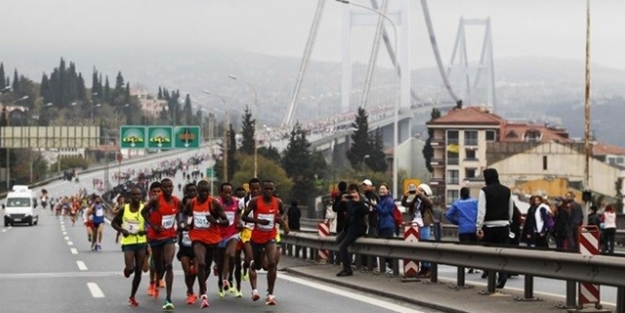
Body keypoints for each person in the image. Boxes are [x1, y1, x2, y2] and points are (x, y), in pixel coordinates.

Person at [242, 179, 289, 305]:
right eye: (266, 189)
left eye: (271, 189)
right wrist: (257, 221)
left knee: (272, 263)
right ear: (263, 190)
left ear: (274, 190)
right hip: (256, 238)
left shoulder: (277, 202)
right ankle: (254, 290)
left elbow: (284, 214)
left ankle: (271, 294)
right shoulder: (255, 201)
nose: (268, 191)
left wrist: (283, 222)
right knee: (255, 265)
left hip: (270, 237)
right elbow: (244, 217)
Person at [182, 180, 228, 309]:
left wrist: (215, 221)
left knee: (206, 267)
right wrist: (186, 223)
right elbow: (184, 213)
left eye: (207, 191)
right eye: (201, 191)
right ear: (197, 191)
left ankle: (202, 283)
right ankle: (203, 295)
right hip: (197, 237)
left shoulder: (213, 203)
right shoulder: (192, 203)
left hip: (212, 239)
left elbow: (226, 221)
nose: (204, 194)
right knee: (201, 263)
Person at [141, 178, 180, 311]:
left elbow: (180, 213)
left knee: (169, 264)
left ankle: (168, 299)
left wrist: (180, 225)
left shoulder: (176, 200)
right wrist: (152, 225)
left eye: (170, 187)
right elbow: (143, 212)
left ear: (173, 187)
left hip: (169, 237)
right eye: (165, 187)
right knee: (159, 267)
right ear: (162, 189)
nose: (168, 189)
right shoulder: (155, 200)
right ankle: (157, 279)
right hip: (155, 238)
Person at [475, 168, 513, 289]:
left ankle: (492, 278)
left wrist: (478, 227)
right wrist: (509, 221)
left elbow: (482, 211)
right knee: (503, 253)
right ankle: (503, 274)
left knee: (491, 255)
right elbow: (510, 209)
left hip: (489, 226)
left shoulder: (484, 191)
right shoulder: (507, 190)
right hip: (503, 226)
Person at [111, 187, 148, 307]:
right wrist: (122, 230)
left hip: (141, 242)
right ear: (130, 197)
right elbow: (114, 222)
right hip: (128, 243)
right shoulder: (124, 208)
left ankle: (132, 296)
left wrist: (145, 231)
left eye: (139, 195)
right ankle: (127, 269)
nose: (137, 197)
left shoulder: (144, 209)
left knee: (139, 271)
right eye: (134, 195)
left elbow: (151, 224)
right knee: (131, 268)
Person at [335, 183, 368, 277]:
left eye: (354, 192)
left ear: (358, 192)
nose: (352, 195)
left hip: (357, 229)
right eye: (351, 193)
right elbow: (337, 209)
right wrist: (342, 201)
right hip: (348, 228)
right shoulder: (349, 202)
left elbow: (366, 210)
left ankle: (347, 269)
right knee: (338, 239)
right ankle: (347, 262)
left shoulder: (362, 200)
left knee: (342, 246)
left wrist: (358, 202)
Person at [216, 182, 242, 298]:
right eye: (225, 192)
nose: (227, 195)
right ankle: (223, 279)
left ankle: (229, 277)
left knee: (231, 255)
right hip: (219, 235)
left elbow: (241, 213)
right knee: (221, 261)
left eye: (229, 192)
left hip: (233, 233)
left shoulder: (237, 202)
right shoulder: (216, 203)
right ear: (220, 192)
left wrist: (240, 222)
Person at [403, 183, 434, 278]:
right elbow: (405, 204)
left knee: (425, 247)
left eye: (421, 190)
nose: (418, 192)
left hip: (424, 225)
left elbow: (429, 203)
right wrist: (405, 196)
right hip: (414, 226)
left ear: (425, 191)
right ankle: (422, 269)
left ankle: (428, 268)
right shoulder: (416, 200)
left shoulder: (427, 200)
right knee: (417, 248)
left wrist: (420, 194)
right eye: (418, 190)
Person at [445, 187, 478, 273]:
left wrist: (457, 222)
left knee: (464, 249)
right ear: (469, 193)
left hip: (463, 230)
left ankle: (467, 265)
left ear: (461, 194)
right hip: (474, 229)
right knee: (475, 248)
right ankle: (474, 265)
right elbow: (481, 212)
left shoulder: (457, 203)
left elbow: (448, 215)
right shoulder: (475, 201)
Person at [177, 183, 198, 305]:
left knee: (194, 271)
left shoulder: (199, 213)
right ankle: (190, 292)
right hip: (184, 247)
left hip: (196, 247)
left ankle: (192, 288)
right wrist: (182, 227)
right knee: (187, 272)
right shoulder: (181, 215)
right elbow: (178, 226)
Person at [374, 182, 396, 275]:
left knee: (387, 248)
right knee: (383, 248)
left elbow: (384, 212)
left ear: (387, 190)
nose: (382, 191)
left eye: (383, 189)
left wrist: (375, 205)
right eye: (380, 189)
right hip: (382, 226)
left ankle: (391, 267)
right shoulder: (381, 200)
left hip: (388, 226)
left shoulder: (389, 201)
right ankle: (385, 267)